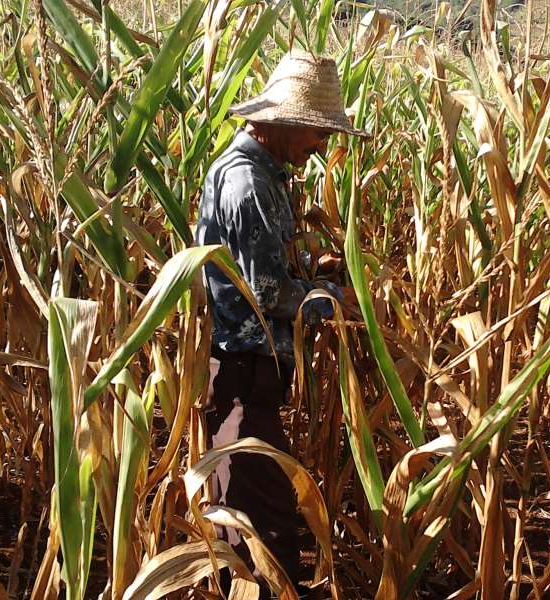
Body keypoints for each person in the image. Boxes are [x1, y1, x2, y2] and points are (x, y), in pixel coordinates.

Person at [194, 50, 365, 596]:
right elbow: (264, 292)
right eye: (319, 133)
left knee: (238, 509)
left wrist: (312, 272)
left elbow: (260, 270)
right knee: (265, 518)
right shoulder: (250, 184)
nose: (323, 147)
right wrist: (332, 298)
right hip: (243, 372)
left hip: (243, 373)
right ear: (287, 123)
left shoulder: (258, 173)